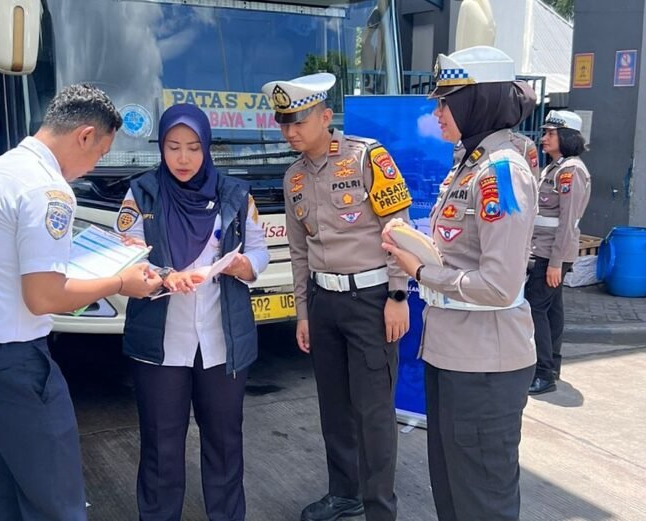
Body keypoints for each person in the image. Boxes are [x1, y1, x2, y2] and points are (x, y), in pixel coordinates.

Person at [0, 83, 162, 521]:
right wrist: (119, 282)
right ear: (85, 135)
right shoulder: (48, 190)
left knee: (0, 499)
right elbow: (44, 297)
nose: (93, 165)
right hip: (16, 366)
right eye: (99, 152)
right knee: (58, 503)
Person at [382, 46, 538, 521]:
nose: (437, 112)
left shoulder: (502, 173)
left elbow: (498, 284)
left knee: (482, 501)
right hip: (452, 355)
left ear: (478, 101)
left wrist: (421, 271)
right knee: (452, 493)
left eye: (447, 101)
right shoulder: (469, 166)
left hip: (485, 367)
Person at [262, 73, 411, 521]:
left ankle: (380, 508)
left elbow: (398, 230)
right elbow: (298, 250)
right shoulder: (292, 179)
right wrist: (304, 313)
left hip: (371, 301)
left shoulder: (367, 157)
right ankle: (344, 493)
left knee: (374, 413)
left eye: (299, 121)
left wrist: (398, 295)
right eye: (283, 123)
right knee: (334, 408)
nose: (290, 131)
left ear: (325, 117)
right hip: (324, 306)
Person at [118, 103, 269, 521]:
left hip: (222, 343)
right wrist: (165, 276)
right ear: (161, 148)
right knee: (161, 443)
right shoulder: (142, 192)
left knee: (224, 441)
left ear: (206, 148)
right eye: (173, 147)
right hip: (160, 342)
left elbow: (257, 249)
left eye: (193, 148)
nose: (183, 159)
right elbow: (126, 254)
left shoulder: (235, 194)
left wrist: (246, 266)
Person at [526, 110, 591, 394]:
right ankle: (552, 365)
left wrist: (555, 262)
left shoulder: (571, 171)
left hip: (551, 253)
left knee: (535, 306)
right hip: (543, 250)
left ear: (566, 137)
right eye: (545, 133)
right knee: (552, 309)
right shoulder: (555, 168)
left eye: (551, 133)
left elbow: (567, 223)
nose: (544, 138)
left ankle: (543, 372)